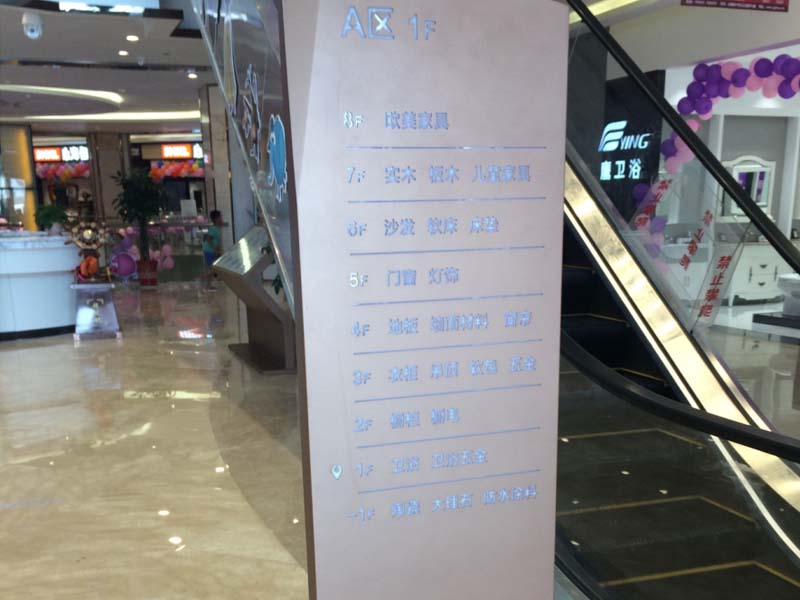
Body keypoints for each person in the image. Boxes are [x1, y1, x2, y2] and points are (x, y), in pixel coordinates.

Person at [202, 210, 223, 290]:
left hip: (211, 251)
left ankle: (208, 285)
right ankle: (202, 278)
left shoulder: (216, 228)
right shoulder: (213, 228)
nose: (221, 219)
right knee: (213, 269)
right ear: (216, 218)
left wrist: (217, 250)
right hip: (209, 251)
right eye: (220, 217)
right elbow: (208, 238)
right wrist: (214, 249)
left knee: (213, 269)